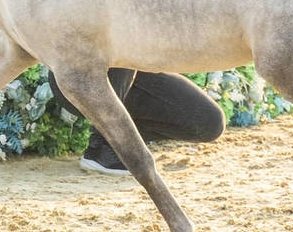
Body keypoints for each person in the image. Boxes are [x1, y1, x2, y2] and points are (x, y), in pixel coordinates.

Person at [48, 68, 225, 177]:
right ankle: (104, 146)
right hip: (77, 74)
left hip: (135, 72)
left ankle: (128, 136)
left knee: (209, 122)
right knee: (120, 31)